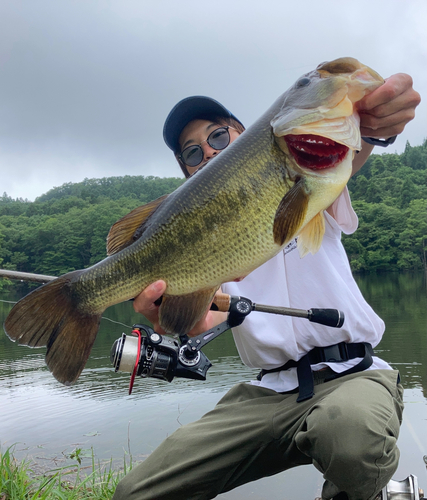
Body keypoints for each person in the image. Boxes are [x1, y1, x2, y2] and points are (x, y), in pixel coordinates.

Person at [113, 73, 420, 500]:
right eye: (192, 152)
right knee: (136, 493)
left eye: (219, 135)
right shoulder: (200, 243)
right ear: (187, 172)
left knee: (349, 436)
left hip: (352, 375)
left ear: (251, 133)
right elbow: (203, 318)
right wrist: (169, 315)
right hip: (267, 393)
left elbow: (352, 144)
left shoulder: (308, 177)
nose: (209, 151)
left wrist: (372, 125)